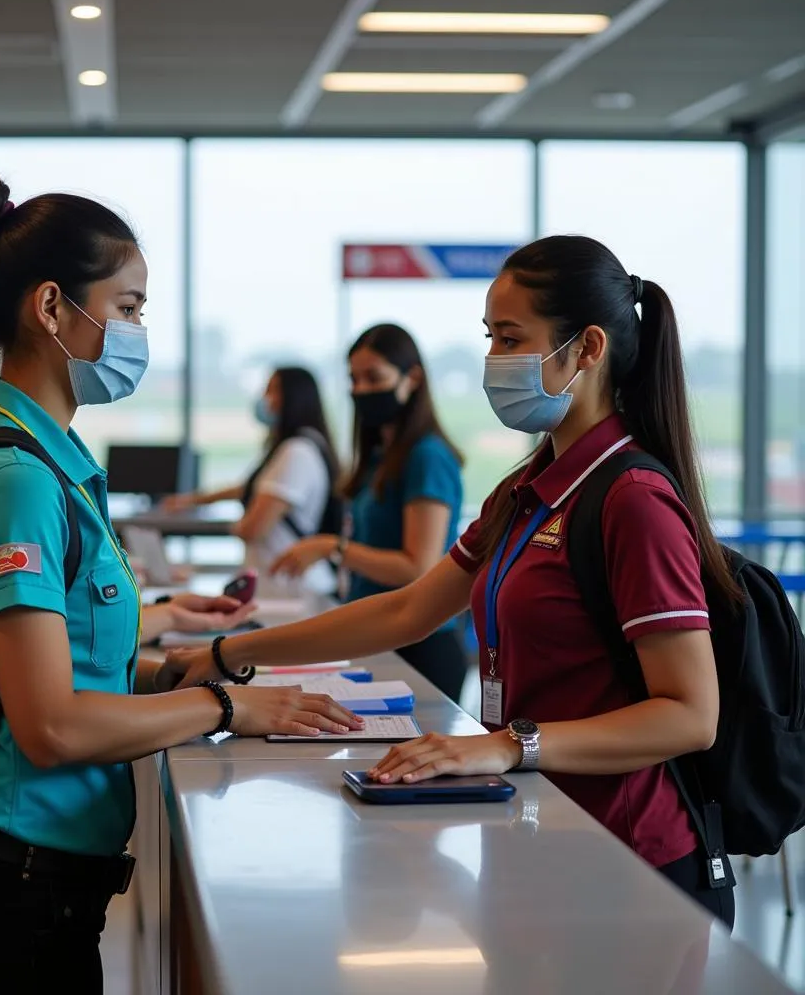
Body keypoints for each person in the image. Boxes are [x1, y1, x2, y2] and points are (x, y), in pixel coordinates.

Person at [164, 235, 737, 927]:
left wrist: (506, 744)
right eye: (491, 338)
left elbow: (690, 714)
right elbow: (406, 609)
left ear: (586, 349)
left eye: (511, 338)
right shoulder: (526, 490)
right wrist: (231, 654)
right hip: (538, 826)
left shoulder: (632, 498)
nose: (494, 360)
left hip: (630, 863)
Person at [0, 173, 361, 995]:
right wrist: (225, 708)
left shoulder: (47, 463)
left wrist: (176, 669)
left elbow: (58, 662)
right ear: (51, 308)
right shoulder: (17, 480)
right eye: (125, 309)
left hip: (42, 875)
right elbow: (48, 726)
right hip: (10, 881)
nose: (137, 331)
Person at [271, 324, 466, 700]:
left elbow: (418, 567)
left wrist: (333, 547)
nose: (360, 390)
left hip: (420, 646)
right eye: (353, 379)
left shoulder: (427, 456)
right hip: (376, 633)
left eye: (373, 378)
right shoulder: (379, 457)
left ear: (412, 379)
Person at [163, 366, 340, 594]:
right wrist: (193, 501)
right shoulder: (299, 446)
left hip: (293, 588)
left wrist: (237, 525)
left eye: (272, 391)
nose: (265, 400)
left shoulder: (297, 452)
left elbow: (253, 529)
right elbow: (253, 488)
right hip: (283, 585)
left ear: (295, 398)